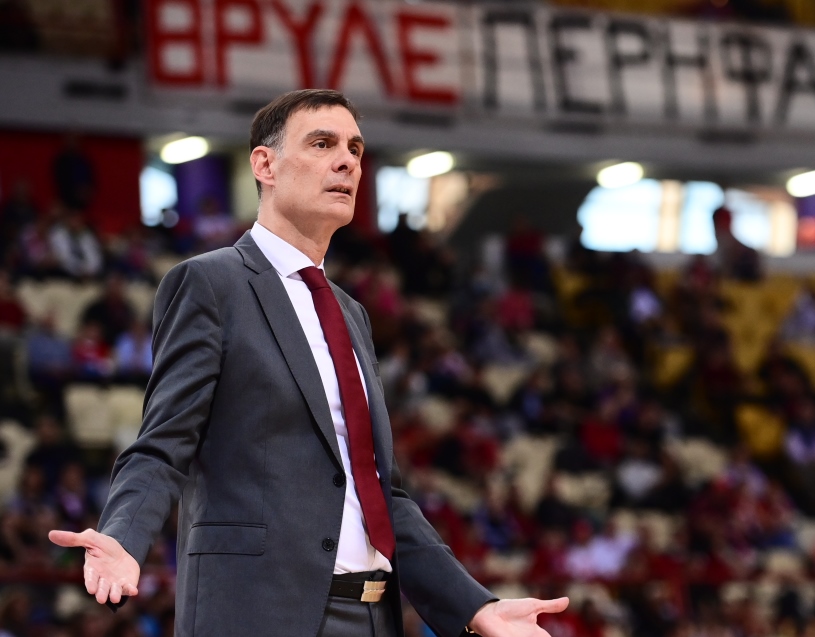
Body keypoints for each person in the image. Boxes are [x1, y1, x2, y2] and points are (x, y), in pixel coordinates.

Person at [48, 89, 567, 637]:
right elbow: (163, 442)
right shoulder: (210, 283)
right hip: (257, 615)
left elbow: (380, 491)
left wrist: (476, 607)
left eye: (355, 149)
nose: (347, 161)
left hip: (373, 615)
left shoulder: (352, 314)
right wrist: (124, 535)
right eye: (322, 144)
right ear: (264, 165)